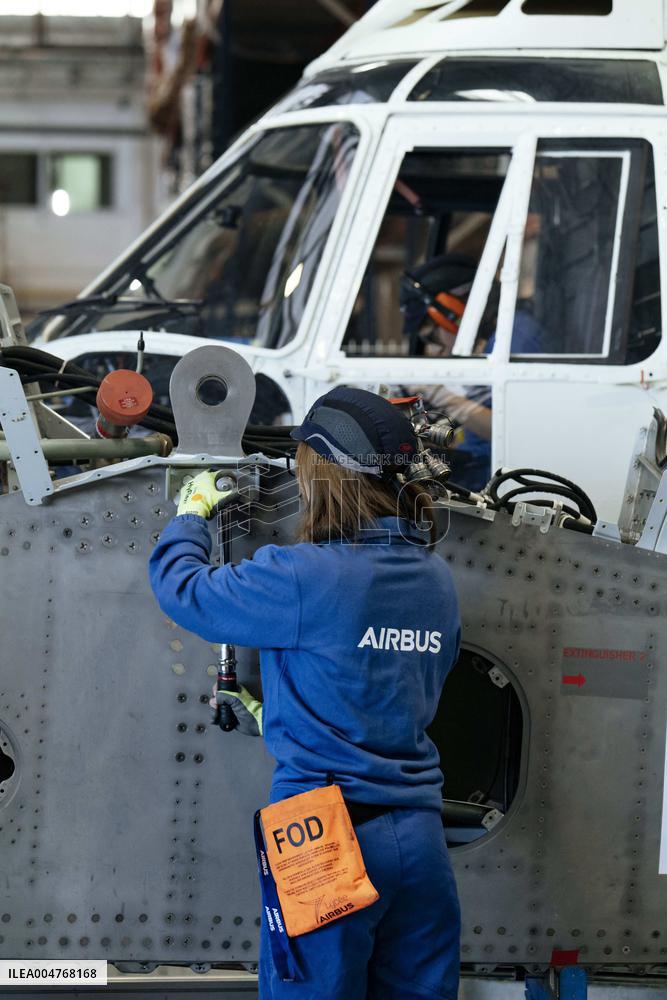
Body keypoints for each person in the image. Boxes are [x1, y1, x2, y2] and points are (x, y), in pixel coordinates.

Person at [148, 386, 462, 999]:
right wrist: (290, 715)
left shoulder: (305, 574)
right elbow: (394, 678)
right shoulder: (436, 578)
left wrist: (191, 514)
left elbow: (184, 590)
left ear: (321, 478)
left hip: (322, 834)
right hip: (420, 840)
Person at [400, 253, 543, 491]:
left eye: (431, 336)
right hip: (480, 465)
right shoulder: (497, 342)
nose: (433, 348)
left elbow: (515, 433)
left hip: (494, 478)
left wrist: (440, 396)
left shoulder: (515, 340)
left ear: (453, 312)